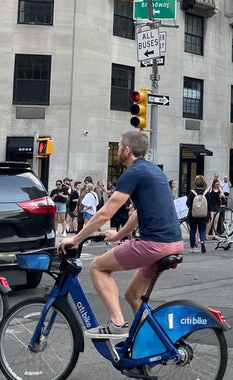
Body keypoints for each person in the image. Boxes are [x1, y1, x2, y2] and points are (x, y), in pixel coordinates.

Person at [57, 131, 183, 339]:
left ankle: (117, 323)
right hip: (173, 243)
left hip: (154, 244)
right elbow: (140, 213)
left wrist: (76, 238)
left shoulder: (133, 172)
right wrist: (118, 235)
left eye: (118, 147)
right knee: (133, 295)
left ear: (127, 149)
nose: (117, 151)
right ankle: (151, 345)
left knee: (98, 266)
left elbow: (106, 212)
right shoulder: (154, 171)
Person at [186, 175, 208, 253]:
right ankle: (202, 241)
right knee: (202, 229)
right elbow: (209, 204)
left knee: (193, 230)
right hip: (203, 215)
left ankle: (192, 248)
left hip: (193, 215)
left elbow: (187, 203)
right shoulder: (206, 193)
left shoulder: (192, 193)